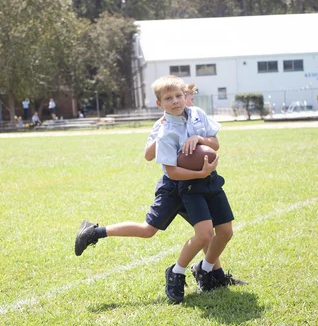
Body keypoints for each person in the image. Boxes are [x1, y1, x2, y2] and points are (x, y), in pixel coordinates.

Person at [76, 76, 241, 303]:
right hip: (176, 186)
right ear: (160, 103)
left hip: (197, 183)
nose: (178, 101)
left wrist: (199, 140)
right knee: (151, 230)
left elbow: (213, 142)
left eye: (182, 96)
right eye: (169, 98)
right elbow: (150, 156)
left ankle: (211, 273)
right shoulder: (163, 127)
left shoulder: (196, 115)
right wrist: (166, 136)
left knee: (211, 232)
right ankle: (95, 232)